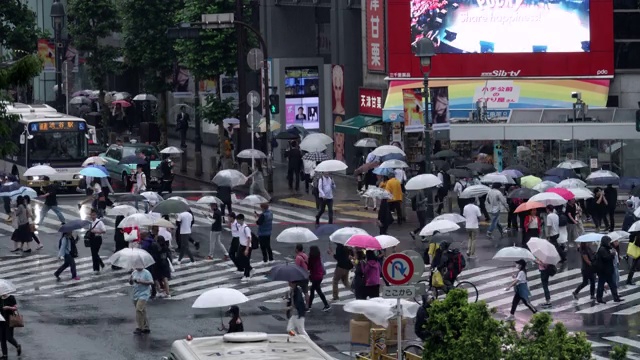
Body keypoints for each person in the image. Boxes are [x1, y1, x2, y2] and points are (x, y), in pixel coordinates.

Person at [595, 236, 623, 304]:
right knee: (601, 285)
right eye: (608, 242)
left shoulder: (607, 248)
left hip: (608, 270)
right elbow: (606, 258)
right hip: (603, 271)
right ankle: (599, 298)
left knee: (613, 285)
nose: (609, 243)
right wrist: (612, 255)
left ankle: (616, 298)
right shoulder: (602, 249)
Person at [130, 263, 154, 335]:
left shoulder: (146, 273)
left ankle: (139, 327)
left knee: (138, 309)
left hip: (144, 294)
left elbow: (151, 282)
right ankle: (146, 327)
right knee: (142, 311)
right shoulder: (134, 272)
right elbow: (131, 283)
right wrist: (130, 279)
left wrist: (140, 281)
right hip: (136, 293)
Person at [307, 246, 331, 312]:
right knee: (317, 290)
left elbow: (309, 267)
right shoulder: (318, 257)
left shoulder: (311, 258)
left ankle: (309, 306)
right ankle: (310, 306)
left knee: (313, 291)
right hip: (320, 276)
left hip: (315, 276)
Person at [0, 292, 20, 358]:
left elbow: (15, 308)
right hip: (1, 320)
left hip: (10, 319)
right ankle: (4, 355)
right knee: (2, 338)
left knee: (9, 337)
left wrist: (8, 307)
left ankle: (17, 346)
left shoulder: (11, 297)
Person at [88, 209, 106, 273]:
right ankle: (100, 265)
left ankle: (96, 269)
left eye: (94, 215)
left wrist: (96, 231)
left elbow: (104, 231)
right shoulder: (90, 223)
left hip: (98, 239)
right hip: (92, 239)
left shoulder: (99, 222)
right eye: (92, 215)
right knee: (94, 254)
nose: (93, 216)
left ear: (96, 215)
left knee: (95, 254)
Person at [237, 214, 253, 281]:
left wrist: (247, 249)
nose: (237, 221)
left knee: (246, 261)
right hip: (241, 245)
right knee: (239, 258)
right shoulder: (240, 226)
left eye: (238, 220)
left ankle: (247, 275)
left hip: (246, 246)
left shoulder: (246, 228)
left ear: (242, 220)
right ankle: (250, 269)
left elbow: (249, 238)